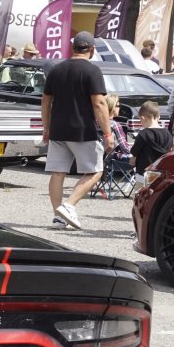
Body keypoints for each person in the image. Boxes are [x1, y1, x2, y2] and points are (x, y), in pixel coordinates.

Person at [40, 31, 111, 230]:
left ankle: (58, 217)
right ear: (92, 50)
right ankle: (69, 206)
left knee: (58, 173)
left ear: (72, 48)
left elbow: (46, 101)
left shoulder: (56, 69)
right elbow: (99, 103)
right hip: (83, 129)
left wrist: (46, 127)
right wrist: (108, 133)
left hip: (58, 128)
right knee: (95, 171)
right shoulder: (92, 70)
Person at [128, 100, 173, 172]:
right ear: (159, 117)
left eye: (140, 120)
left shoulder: (143, 134)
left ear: (143, 118)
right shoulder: (168, 133)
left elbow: (134, 151)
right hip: (162, 171)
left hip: (145, 172)